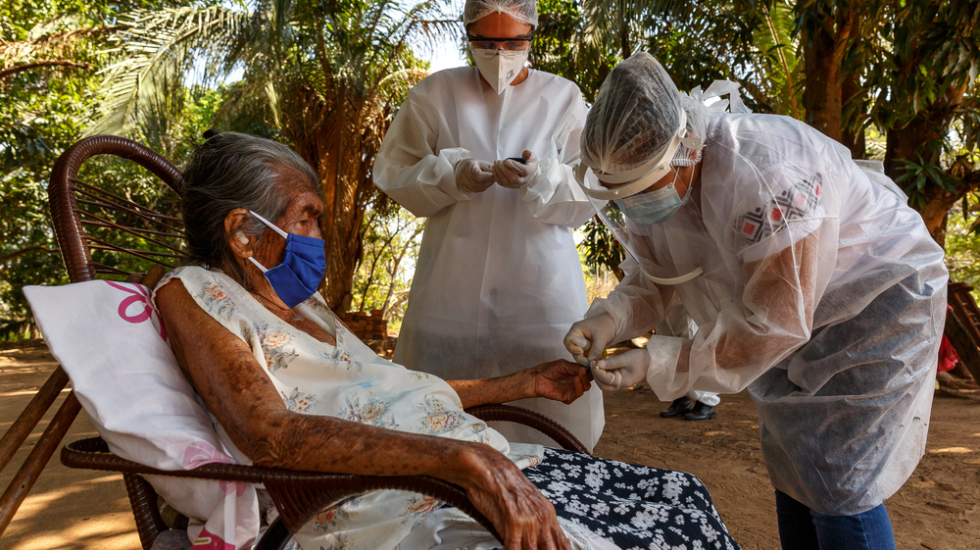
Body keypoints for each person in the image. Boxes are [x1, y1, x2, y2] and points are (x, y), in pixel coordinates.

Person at [154, 132, 740, 550]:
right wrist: (460, 461)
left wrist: (524, 384)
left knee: (679, 496)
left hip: (473, 465)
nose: (315, 235)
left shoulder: (302, 304)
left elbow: (395, 390)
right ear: (242, 233)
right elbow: (270, 434)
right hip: (397, 504)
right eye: (304, 217)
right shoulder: (195, 292)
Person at [562, 53, 948, 550]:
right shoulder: (654, 177)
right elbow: (658, 275)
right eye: (622, 194)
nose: (635, 205)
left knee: (838, 480)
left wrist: (658, 361)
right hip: (795, 314)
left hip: (876, 304)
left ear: (683, 148)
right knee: (795, 464)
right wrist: (609, 320)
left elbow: (774, 325)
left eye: (641, 189)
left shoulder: (768, 173)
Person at [373, 0, 603, 451]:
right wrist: (449, 176)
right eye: (487, 42)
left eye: (514, 42)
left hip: (539, 298)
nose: (500, 54)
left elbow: (591, 190)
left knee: (549, 432)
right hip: (449, 295)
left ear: (532, 35)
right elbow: (394, 173)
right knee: (440, 427)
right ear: (469, 36)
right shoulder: (435, 94)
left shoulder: (563, 97)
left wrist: (543, 177)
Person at [655, 303, 719, 421]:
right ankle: (681, 399)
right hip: (667, 296)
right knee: (668, 343)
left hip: (687, 295)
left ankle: (706, 403)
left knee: (692, 346)